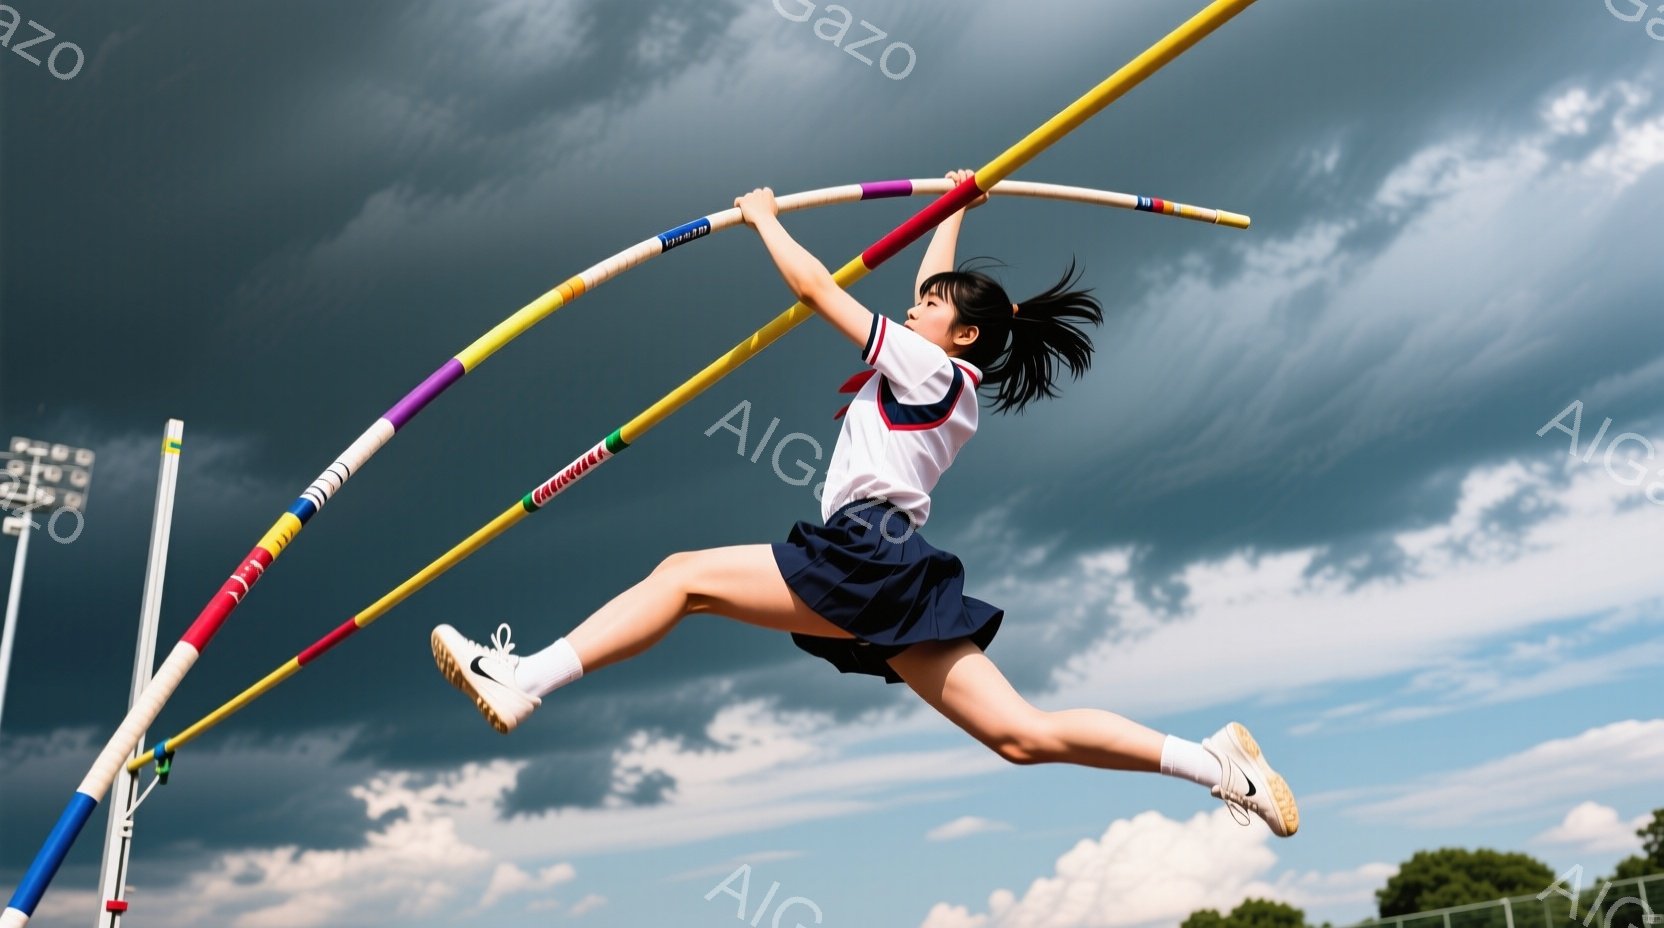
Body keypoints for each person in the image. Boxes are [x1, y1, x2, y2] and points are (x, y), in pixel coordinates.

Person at [430, 170, 1299, 837]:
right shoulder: (948, 371)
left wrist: (765, 217)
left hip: (869, 553)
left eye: (926, 305)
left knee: (684, 576)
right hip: (893, 568)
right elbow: (941, 275)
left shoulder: (928, 367)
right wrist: (957, 201)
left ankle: (527, 679)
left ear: (958, 334)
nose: (913, 303)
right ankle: (1214, 762)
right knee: (1021, 736)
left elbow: (816, 292)